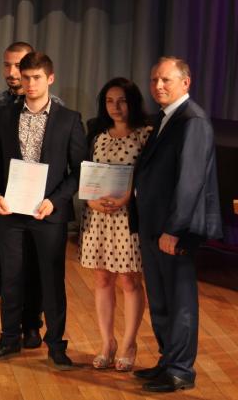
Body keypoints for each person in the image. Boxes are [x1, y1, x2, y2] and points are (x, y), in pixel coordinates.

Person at [0, 52, 86, 370]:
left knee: (51, 281)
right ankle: (9, 339)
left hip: (48, 213)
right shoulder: (5, 115)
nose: (30, 83)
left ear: (50, 78)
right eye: (26, 77)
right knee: (11, 278)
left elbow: (79, 170)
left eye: (36, 77)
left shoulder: (69, 119)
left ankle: (56, 346)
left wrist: (56, 200)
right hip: (11, 212)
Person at [131, 57, 221, 393]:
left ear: (186, 82)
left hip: (173, 229)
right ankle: (168, 360)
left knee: (179, 300)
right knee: (160, 299)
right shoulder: (166, 117)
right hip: (154, 225)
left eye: (166, 80)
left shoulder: (192, 120)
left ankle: (181, 370)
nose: (158, 86)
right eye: (154, 79)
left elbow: (190, 181)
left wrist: (174, 229)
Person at [0, 41, 52, 343]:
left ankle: (31, 323)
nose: (13, 72)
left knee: (34, 266)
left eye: (19, 66)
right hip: (5, 197)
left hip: (39, 202)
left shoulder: (53, 105)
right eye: (7, 65)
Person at [79, 78, 150, 372]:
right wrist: (90, 200)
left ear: (132, 102)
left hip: (127, 219)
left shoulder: (145, 134)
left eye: (121, 100)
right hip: (98, 217)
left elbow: (149, 177)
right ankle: (107, 343)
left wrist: (127, 198)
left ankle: (129, 343)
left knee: (129, 281)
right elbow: (86, 172)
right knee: (102, 279)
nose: (115, 107)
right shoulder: (96, 133)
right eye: (110, 101)